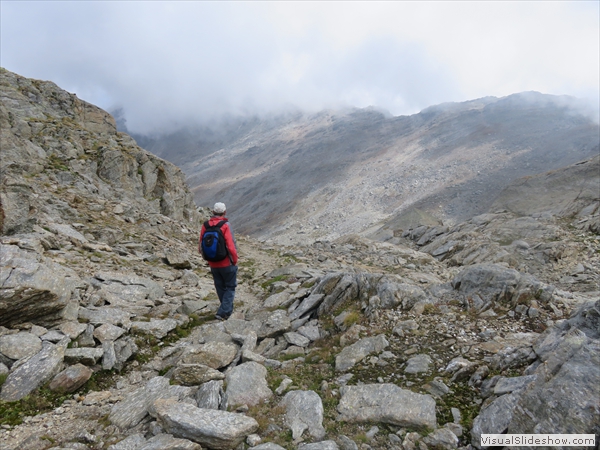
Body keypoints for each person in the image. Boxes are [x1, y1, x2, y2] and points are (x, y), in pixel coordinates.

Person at [199, 202, 238, 320]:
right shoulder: (226, 225)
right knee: (230, 287)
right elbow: (231, 245)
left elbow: (200, 245)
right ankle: (223, 312)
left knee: (220, 286)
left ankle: (226, 309)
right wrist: (234, 260)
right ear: (224, 212)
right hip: (226, 262)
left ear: (213, 212)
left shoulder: (205, 225)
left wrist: (208, 258)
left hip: (213, 263)